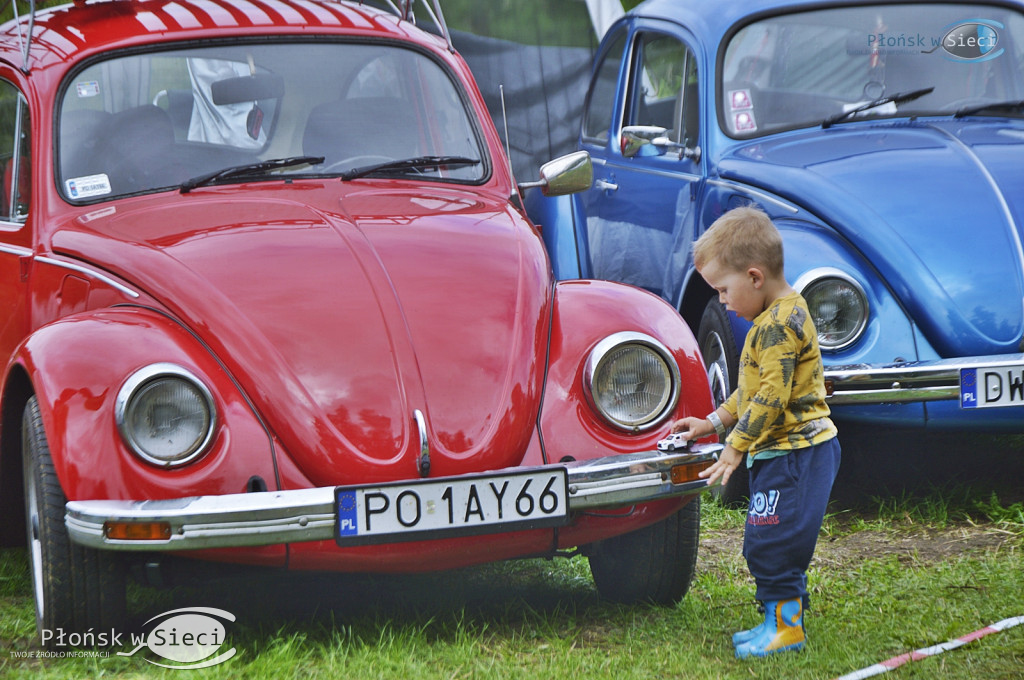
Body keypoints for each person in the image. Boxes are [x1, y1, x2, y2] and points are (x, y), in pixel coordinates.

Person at [672, 205, 841, 659]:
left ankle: (786, 628)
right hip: (780, 452)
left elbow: (772, 396)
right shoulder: (772, 319)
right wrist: (711, 422)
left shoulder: (779, 326)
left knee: (774, 540)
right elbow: (751, 392)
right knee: (766, 537)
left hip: (797, 454)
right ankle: (777, 619)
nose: (722, 301)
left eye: (723, 290)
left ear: (754, 276)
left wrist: (732, 449)